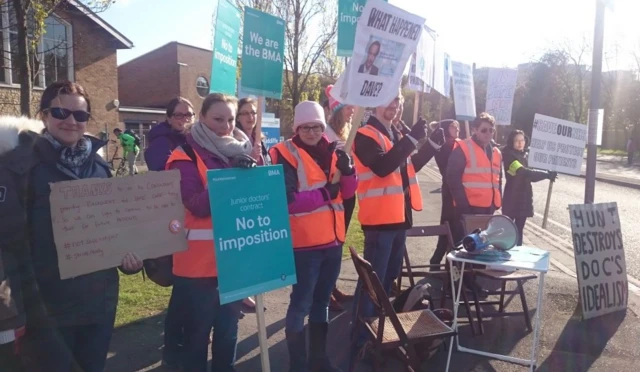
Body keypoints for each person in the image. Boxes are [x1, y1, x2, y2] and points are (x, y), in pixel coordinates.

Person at [11, 81, 143, 372]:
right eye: (60, 112)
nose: (71, 121)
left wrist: (128, 260)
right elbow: (9, 241)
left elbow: (113, 228)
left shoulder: (100, 168)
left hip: (99, 303)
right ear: (44, 115)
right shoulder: (20, 167)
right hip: (47, 308)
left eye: (80, 115)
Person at [166, 93, 255, 372]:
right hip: (198, 269)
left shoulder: (240, 150)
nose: (226, 126)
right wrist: (234, 180)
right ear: (201, 118)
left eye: (230, 119)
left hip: (233, 263)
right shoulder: (185, 156)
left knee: (228, 336)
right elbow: (196, 204)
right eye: (218, 119)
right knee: (197, 339)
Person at [351, 91, 445, 351]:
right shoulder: (366, 134)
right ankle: (361, 338)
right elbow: (382, 167)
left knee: (388, 279)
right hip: (380, 221)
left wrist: (431, 146)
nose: (395, 106)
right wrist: (413, 138)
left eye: (398, 102)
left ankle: (377, 330)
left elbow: (408, 166)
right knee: (373, 284)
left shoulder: (394, 134)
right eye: (390, 100)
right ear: (375, 105)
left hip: (398, 218)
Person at [269, 101, 357, 372]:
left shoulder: (333, 151)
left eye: (317, 126)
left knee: (321, 304)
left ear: (323, 126)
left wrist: (349, 171)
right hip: (304, 245)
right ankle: (297, 364)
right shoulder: (285, 153)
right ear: (297, 128)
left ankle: (319, 360)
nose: (311, 131)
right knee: (300, 305)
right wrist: (323, 194)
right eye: (305, 127)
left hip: (332, 242)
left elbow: (349, 193)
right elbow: (287, 200)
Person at [143, 96, 195, 368]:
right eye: (179, 115)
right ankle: (176, 342)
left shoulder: (190, 139)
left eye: (189, 115)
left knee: (186, 284)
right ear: (168, 117)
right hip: (172, 220)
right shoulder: (161, 142)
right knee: (182, 283)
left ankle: (182, 337)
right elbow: (164, 178)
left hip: (189, 220)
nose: (184, 119)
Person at [446, 112, 503, 242]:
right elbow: (452, 178)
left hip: (488, 209)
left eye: (491, 130)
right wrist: (463, 207)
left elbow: (498, 179)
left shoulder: (496, 152)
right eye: (484, 130)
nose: (488, 133)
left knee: (483, 248)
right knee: (463, 249)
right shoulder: (463, 148)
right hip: (468, 210)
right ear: (474, 130)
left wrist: (497, 202)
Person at [324, 85, 356, 312]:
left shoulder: (346, 132)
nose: (353, 110)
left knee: (339, 243)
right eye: (349, 107)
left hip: (347, 195)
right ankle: (324, 292)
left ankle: (331, 285)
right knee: (330, 243)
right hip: (332, 196)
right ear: (337, 109)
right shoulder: (326, 133)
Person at [236, 97, 269, 312]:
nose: (251, 117)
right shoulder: (235, 139)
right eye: (246, 113)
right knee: (239, 250)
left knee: (251, 251)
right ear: (238, 117)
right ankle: (239, 293)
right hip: (241, 201)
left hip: (259, 198)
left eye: (254, 112)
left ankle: (246, 290)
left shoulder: (260, 138)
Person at [502, 130, 557, 246]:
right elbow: (523, 172)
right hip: (512, 198)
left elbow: (531, 177)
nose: (520, 143)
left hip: (524, 197)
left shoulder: (525, 155)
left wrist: (547, 175)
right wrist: (546, 174)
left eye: (522, 140)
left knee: (519, 230)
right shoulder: (508, 156)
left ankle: (518, 255)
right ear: (511, 142)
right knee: (509, 231)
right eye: (516, 140)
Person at [429, 119, 461, 266]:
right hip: (450, 191)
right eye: (453, 127)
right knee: (448, 226)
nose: (457, 129)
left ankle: (443, 262)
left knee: (455, 228)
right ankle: (438, 261)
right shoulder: (445, 146)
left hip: (457, 191)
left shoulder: (457, 144)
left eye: (458, 127)